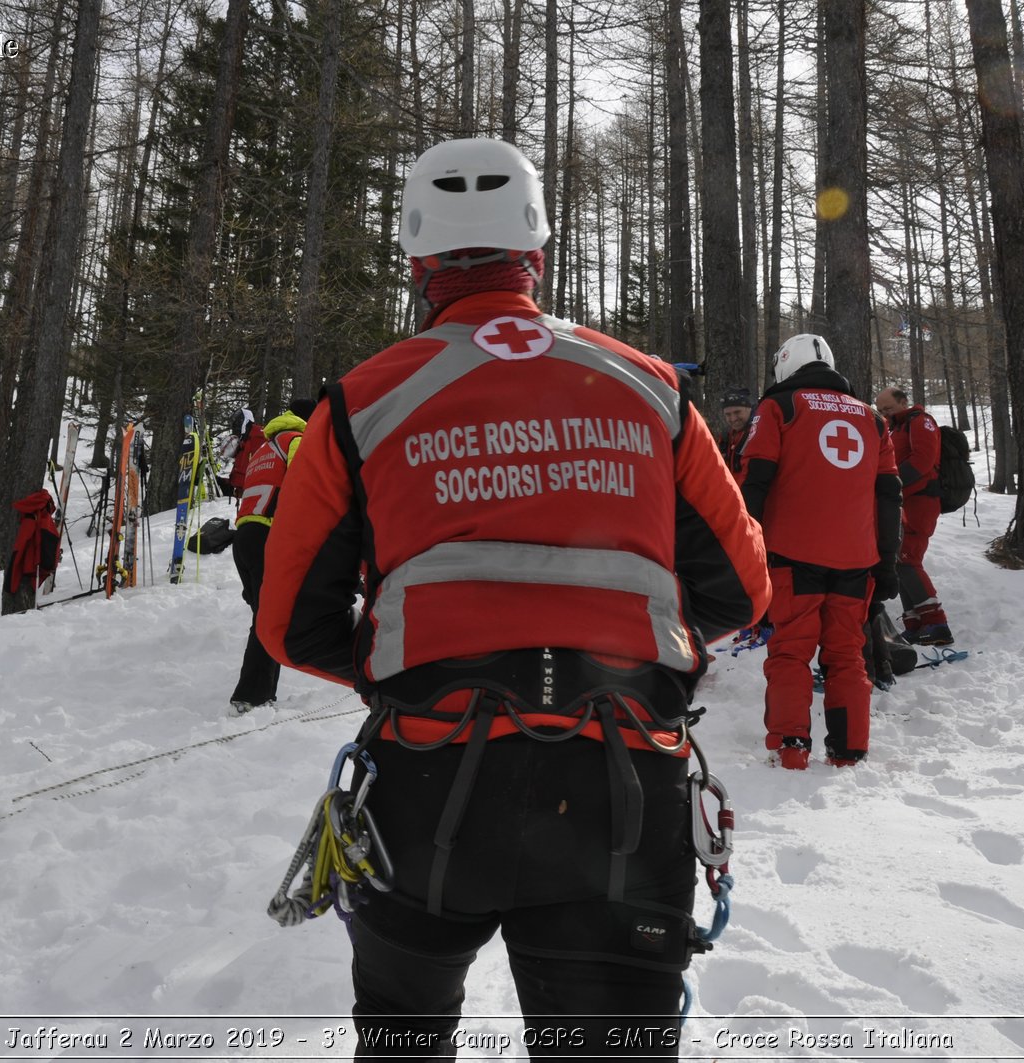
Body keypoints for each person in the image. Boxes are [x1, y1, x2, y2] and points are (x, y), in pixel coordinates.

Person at [256, 138, 770, 1056]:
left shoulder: (360, 404)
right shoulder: (652, 392)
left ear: (418, 260)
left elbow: (292, 619)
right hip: (621, 778)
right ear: (538, 247)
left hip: (425, 778)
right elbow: (741, 586)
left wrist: (407, 668)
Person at [740, 334, 901, 769]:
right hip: (857, 560)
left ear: (785, 366)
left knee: (791, 652)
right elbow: (889, 496)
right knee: (847, 654)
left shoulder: (780, 408)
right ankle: (849, 750)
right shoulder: (873, 419)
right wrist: (887, 562)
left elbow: (754, 479)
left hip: (793, 555)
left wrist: (743, 549)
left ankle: (791, 749)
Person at [228, 398, 315, 716]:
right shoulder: (296, 441)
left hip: (244, 538)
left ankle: (258, 693)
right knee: (270, 619)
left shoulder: (262, 449)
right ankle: (251, 697)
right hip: (268, 536)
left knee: (265, 617)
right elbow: (308, 482)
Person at [873, 386, 954, 646]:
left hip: (920, 503)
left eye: (889, 408)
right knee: (899, 562)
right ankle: (916, 623)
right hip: (902, 504)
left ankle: (937, 623)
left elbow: (923, 460)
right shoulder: (895, 427)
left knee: (908, 560)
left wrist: (892, 483)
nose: (885, 413)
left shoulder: (921, 422)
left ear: (904, 402)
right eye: (881, 409)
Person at [718, 388, 754, 477]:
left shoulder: (759, 432)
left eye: (737, 412)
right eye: (728, 414)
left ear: (749, 409)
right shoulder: (726, 437)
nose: (733, 418)